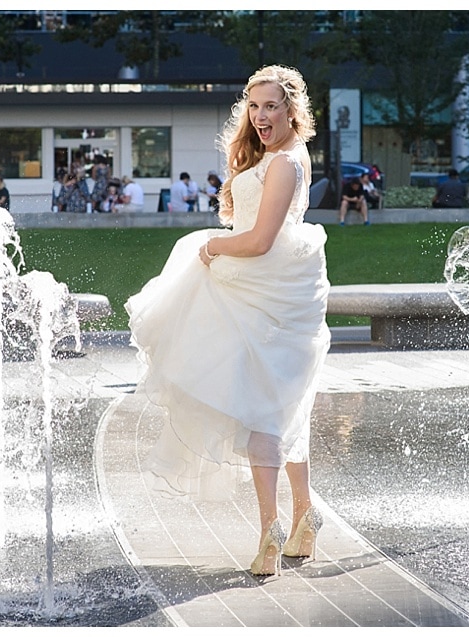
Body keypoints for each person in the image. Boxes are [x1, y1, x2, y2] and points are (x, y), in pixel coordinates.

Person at [125, 65, 330, 577]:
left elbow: (259, 241)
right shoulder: (278, 155)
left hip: (267, 294)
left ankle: (269, 531)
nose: (260, 116)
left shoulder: (284, 163)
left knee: (264, 410)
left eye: (271, 107)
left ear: (291, 111)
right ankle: (304, 518)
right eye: (253, 106)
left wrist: (211, 246)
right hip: (271, 290)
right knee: (286, 408)